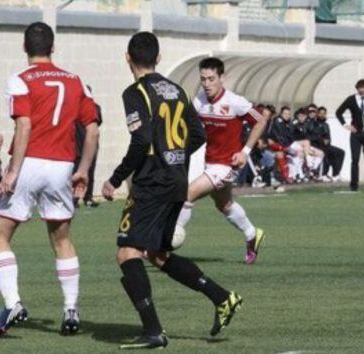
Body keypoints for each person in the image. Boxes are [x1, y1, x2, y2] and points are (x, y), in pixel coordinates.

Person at [101, 32, 242, 350]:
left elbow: (140, 140)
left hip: (152, 183)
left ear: (128, 58)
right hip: (177, 181)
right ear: (159, 58)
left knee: (127, 252)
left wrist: (116, 178)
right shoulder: (176, 90)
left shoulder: (135, 92)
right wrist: (173, 156)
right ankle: (222, 297)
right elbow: (199, 134)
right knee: (158, 254)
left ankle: (153, 331)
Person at [0, 22, 99, 337]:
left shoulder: (20, 80)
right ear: (53, 47)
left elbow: (23, 126)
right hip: (62, 166)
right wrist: (84, 169)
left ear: (25, 48)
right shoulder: (76, 81)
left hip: (29, 162)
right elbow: (92, 129)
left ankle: (13, 303)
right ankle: (70, 309)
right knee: (61, 239)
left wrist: (12, 171)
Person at [174, 57, 269, 265]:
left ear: (222, 78)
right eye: (203, 79)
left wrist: (245, 151)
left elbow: (261, 120)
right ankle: (252, 234)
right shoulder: (199, 100)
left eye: (211, 79)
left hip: (228, 165)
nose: (207, 84)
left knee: (188, 194)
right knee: (224, 205)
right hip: (211, 162)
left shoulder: (234, 101)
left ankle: (165, 245)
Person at [335, 79, 364, 192]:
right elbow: (339, 112)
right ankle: (354, 185)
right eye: (359, 88)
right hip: (355, 134)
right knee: (355, 159)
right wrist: (346, 125)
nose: (361, 90)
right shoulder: (351, 99)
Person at [73, 97, 102, 208]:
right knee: (76, 174)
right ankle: (74, 199)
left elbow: (98, 122)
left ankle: (88, 198)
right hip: (77, 146)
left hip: (91, 146)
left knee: (90, 173)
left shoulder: (95, 107)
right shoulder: (74, 107)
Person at [310, 106, 345, 181]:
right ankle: (323, 174)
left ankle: (336, 174)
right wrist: (321, 140)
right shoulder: (313, 124)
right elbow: (311, 136)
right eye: (320, 113)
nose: (322, 115)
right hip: (316, 146)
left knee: (341, 152)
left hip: (326, 146)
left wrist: (327, 141)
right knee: (326, 153)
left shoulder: (326, 125)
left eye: (324, 113)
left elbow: (328, 137)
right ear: (317, 114)